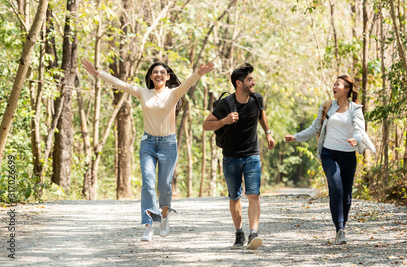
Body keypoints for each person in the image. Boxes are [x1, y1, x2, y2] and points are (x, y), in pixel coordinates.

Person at [82, 58, 214, 242]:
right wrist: (98, 73)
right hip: (148, 144)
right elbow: (120, 84)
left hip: (168, 144)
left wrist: (199, 73)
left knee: (164, 187)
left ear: (167, 77)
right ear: (151, 77)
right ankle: (148, 226)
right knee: (147, 184)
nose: (158, 75)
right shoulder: (143, 93)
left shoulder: (174, 93)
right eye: (155, 72)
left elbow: (188, 83)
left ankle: (165, 217)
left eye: (162, 72)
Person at [285, 75, 375, 245]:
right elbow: (315, 127)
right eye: (334, 84)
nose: (334, 86)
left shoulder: (355, 109)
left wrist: (355, 139)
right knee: (336, 188)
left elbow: (359, 129)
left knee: (347, 194)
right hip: (329, 153)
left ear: (347, 89)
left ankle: (343, 225)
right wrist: (296, 137)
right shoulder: (327, 106)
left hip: (348, 155)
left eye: (338, 84)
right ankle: (339, 229)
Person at [202, 63, 275, 250]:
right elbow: (206, 124)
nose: (254, 82)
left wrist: (268, 133)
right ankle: (239, 233)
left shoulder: (257, 98)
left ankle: (253, 234)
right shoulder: (226, 104)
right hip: (231, 157)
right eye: (250, 79)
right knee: (235, 197)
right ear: (238, 83)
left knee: (254, 195)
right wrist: (224, 121)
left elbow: (262, 116)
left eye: (253, 78)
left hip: (252, 155)